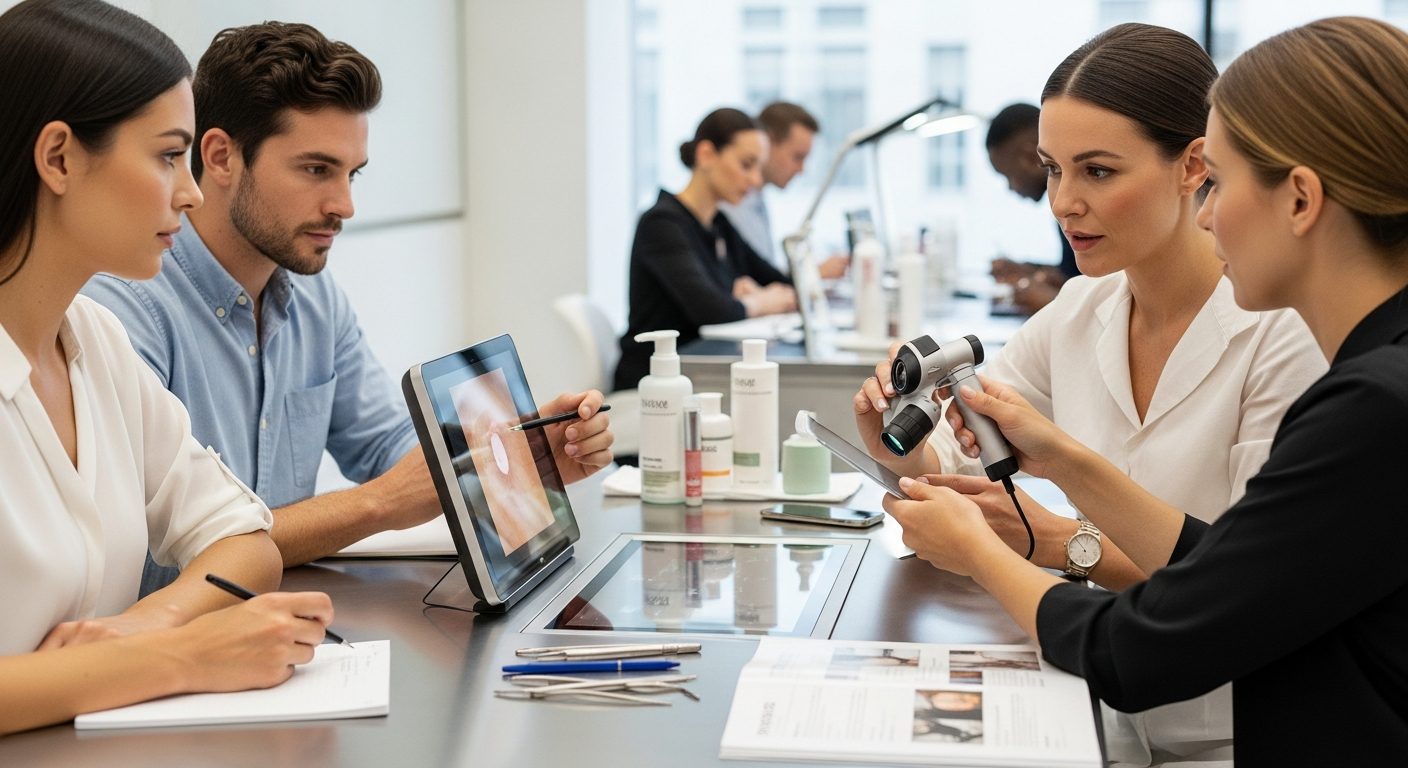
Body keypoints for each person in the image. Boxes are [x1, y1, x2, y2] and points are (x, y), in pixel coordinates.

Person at [884, 16, 1408, 765]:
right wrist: (1063, 458)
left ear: (1298, 200)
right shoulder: (1381, 377)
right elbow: (1227, 566)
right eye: (1055, 169)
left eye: (1219, 183)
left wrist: (994, 549)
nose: (1205, 214)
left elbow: (1145, 645)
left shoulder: (1373, 404)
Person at [81, 22, 615, 582]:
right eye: (316, 170)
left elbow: (389, 444)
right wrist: (379, 502)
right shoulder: (125, 309)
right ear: (219, 157)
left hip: (285, 623)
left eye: (352, 173)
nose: (345, 205)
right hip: (181, 648)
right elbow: (165, 548)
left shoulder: (310, 292)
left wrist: (517, 462)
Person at [0, 0, 334, 736]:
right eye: (164, 155)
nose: (188, 190)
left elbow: (245, 541)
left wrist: (149, 623)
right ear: (57, 158)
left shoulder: (95, 341)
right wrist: (184, 655)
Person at [614, 108, 796, 391]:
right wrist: (763, 301)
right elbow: (713, 309)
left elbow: (777, 281)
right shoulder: (661, 223)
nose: (756, 180)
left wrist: (754, 295)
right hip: (653, 384)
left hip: (699, 376)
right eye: (747, 164)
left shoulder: (718, 224)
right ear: (707, 155)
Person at [719, 102, 847, 279]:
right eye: (798, 157)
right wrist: (812, 275)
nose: (802, 170)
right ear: (767, 142)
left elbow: (763, 274)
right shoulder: (733, 205)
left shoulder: (757, 200)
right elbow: (753, 280)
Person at [986, 103, 1078, 314]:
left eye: (1007, 176)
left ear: (1029, 157)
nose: (1010, 188)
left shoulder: (1075, 205)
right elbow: (1077, 277)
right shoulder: (1063, 203)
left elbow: (1110, 297)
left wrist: (1050, 302)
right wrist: (1031, 271)